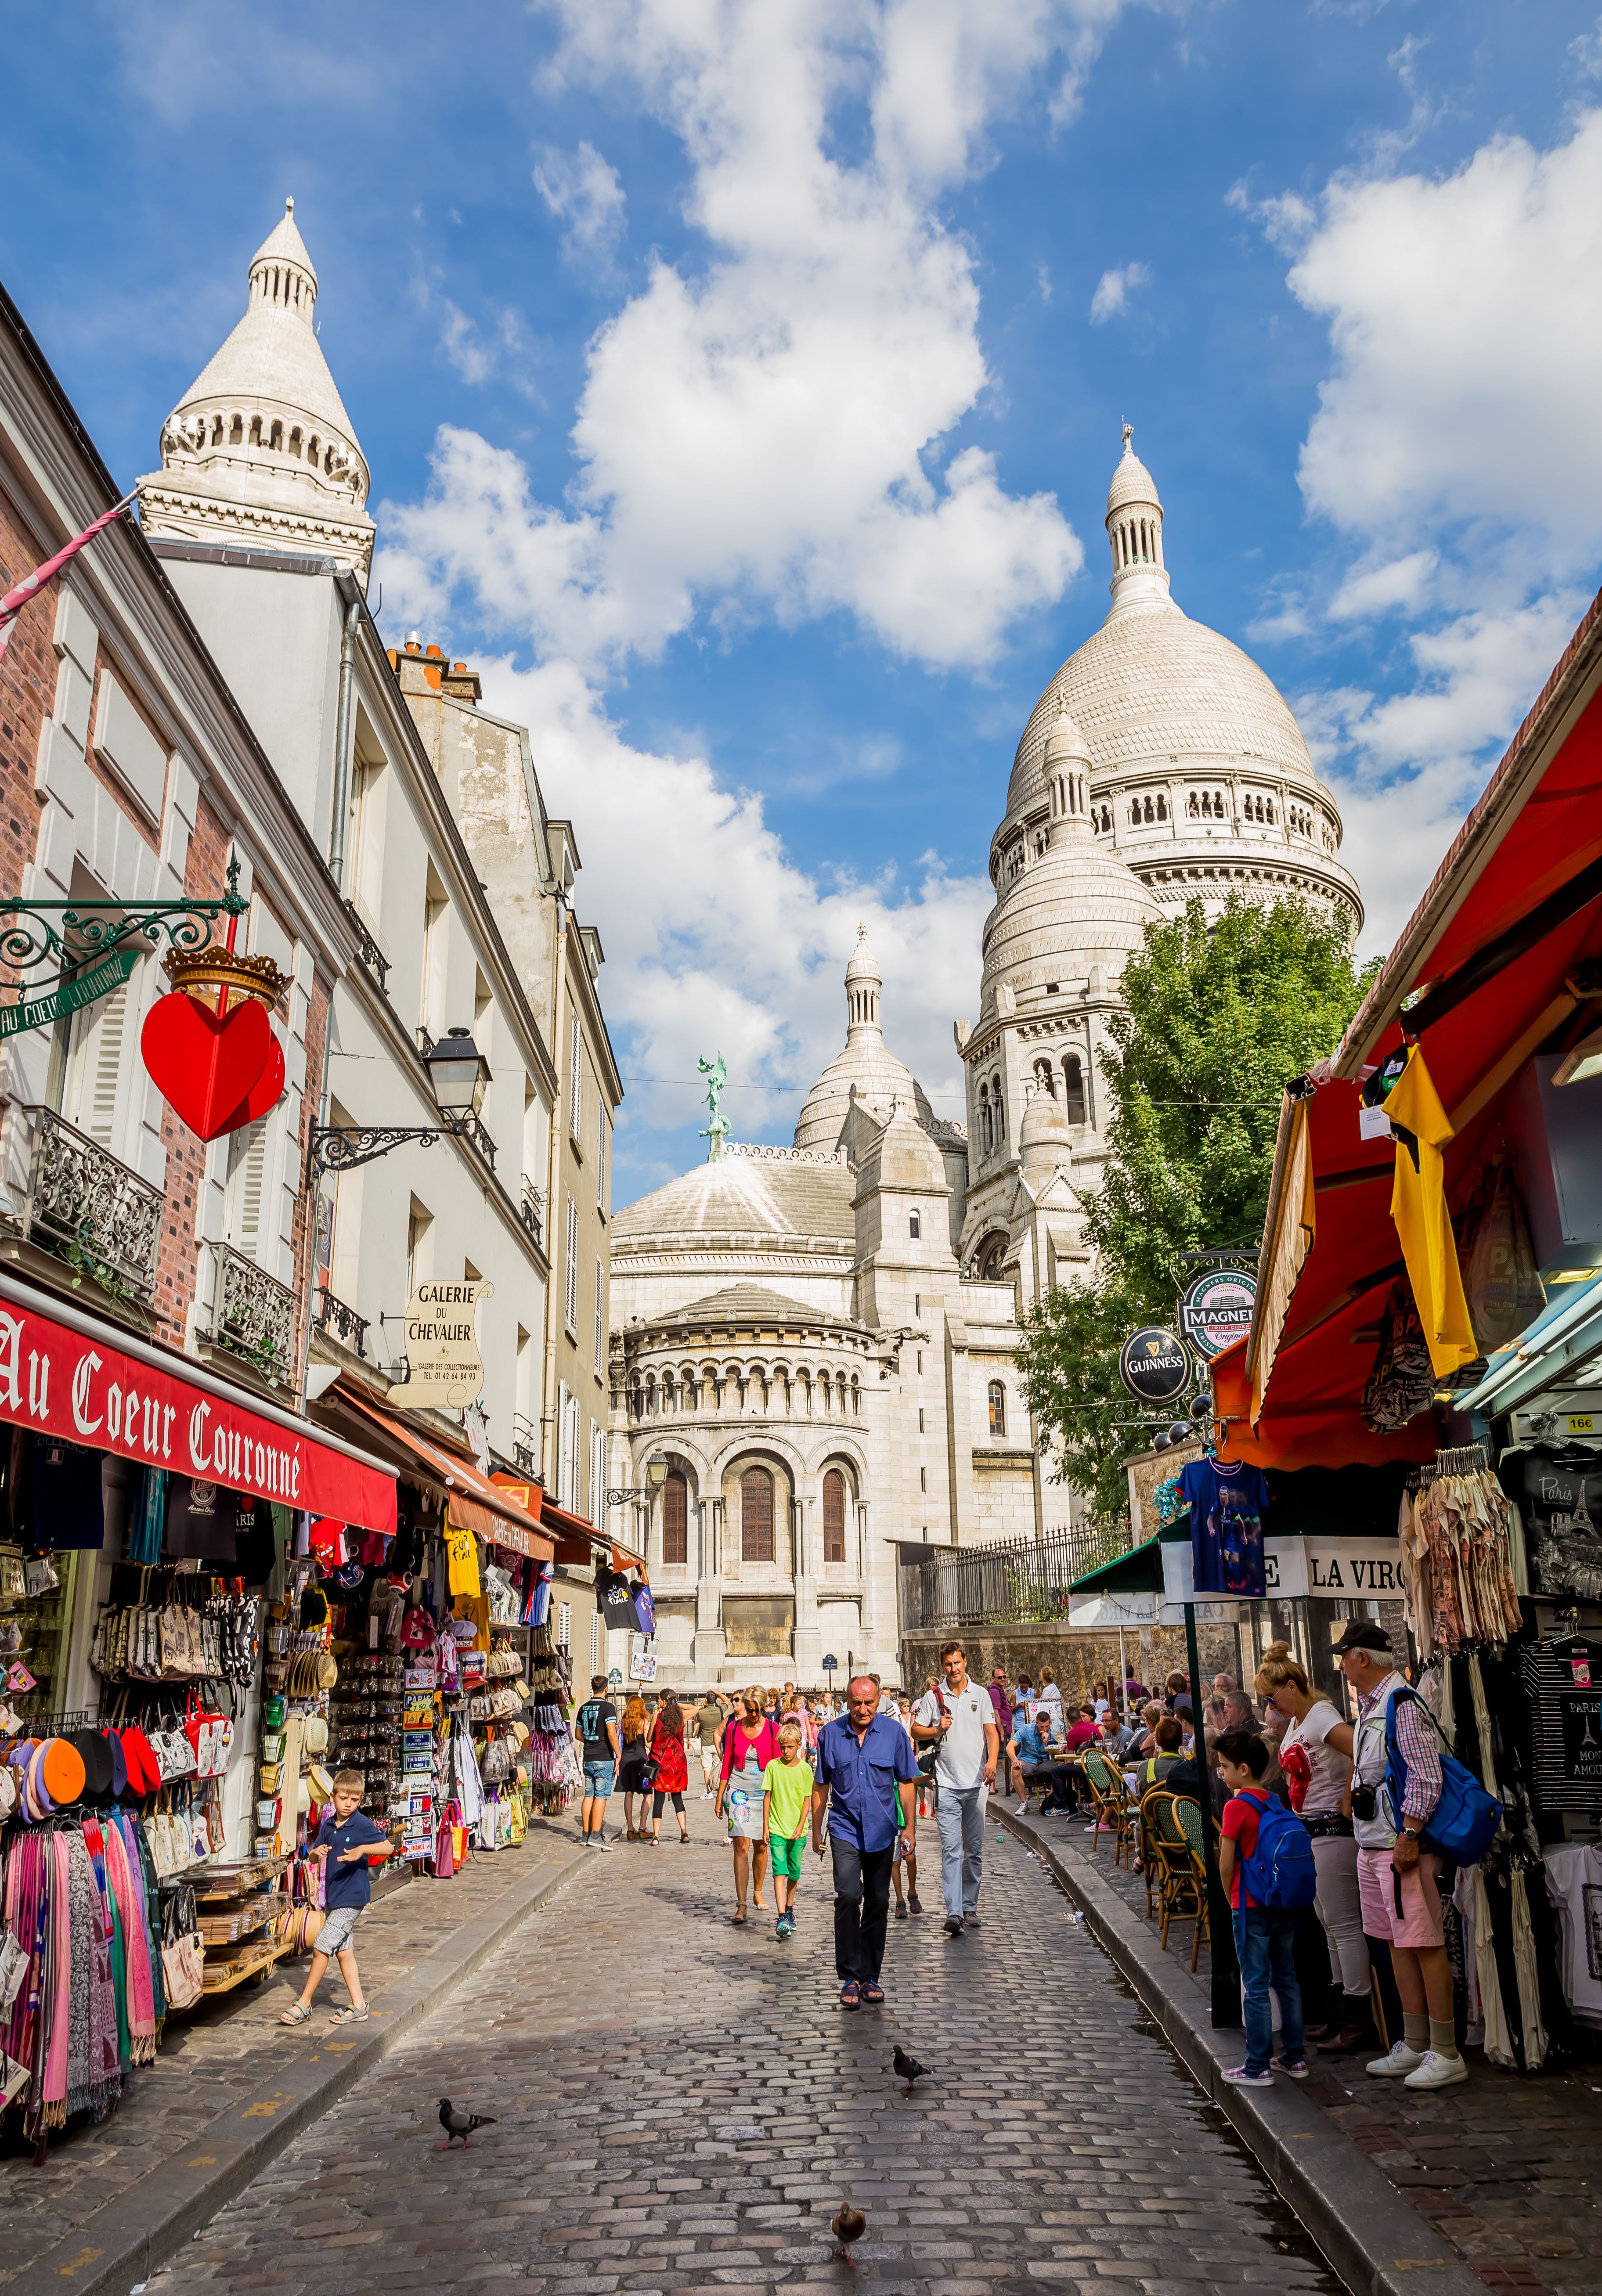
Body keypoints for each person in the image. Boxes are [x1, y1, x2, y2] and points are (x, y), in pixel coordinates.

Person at [1335, 1619, 1464, 2089]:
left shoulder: (1400, 1703)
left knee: (1424, 1942)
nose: (1343, 1666)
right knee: (1395, 1942)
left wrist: (1410, 1834)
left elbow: (1427, 1776)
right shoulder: (1374, 1704)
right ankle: (1414, 2042)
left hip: (1399, 1845)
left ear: (1363, 1658)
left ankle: (1446, 2051)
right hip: (1376, 1844)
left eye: (1345, 1656)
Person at [1255, 1641, 1370, 2054]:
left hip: (1332, 1830)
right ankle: (1340, 2010)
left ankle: (1359, 2016)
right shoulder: (1299, 1721)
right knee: (1329, 1924)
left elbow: (1362, 1747)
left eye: (1272, 1696)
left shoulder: (1320, 1715)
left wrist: (1349, 1791)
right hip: (1311, 1830)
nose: (1271, 1705)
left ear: (1290, 1685)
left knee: (1342, 1923)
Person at [812, 1672, 920, 2008]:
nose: (862, 1709)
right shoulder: (830, 1734)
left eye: (869, 1702)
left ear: (878, 1701)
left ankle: (870, 1975)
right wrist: (816, 1829)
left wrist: (910, 1828)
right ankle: (848, 1975)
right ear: (847, 1702)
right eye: (856, 1702)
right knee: (848, 1894)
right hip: (844, 1829)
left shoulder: (893, 1734)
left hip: (882, 1830)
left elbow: (907, 1781)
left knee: (878, 1902)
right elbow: (821, 1786)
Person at [1214, 1730, 1309, 2087]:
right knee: (1286, 1978)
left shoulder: (1236, 1806)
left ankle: (1257, 2064)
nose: (1221, 1773)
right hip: (1279, 1902)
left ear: (1243, 1768)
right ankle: (1295, 2057)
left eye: (1225, 1767)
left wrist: (1230, 1898)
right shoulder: (1273, 1800)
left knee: (1255, 1984)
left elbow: (1226, 1864)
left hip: (1249, 1903)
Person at [279, 1771, 390, 2027]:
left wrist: (362, 1849)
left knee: (321, 1947)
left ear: (360, 1800)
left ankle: (304, 2003)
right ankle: (359, 2005)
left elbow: (387, 1847)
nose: (348, 1804)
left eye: (354, 1799)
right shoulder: (328, 1825)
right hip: (334, 1897)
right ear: (333, 1798)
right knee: (344, 1952)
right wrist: (315, 1853)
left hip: (352, 1899)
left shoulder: (361, 1824)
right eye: (343, 1798)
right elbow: (314, 1858)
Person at [912, 1640, 1000, 1937]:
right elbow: (916, 1729)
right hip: (946, 1784)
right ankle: (954, 1912)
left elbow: (992, 1732)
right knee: (951, 1850)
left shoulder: (982, 1694)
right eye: (948, 1664)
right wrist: (938, 1728)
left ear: (965, 1662)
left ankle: (970, 1905)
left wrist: (992, 1762)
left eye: (957, 1663)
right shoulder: (933, 1697)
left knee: (973, 1850)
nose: (953, 1668)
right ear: (943, 1666)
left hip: (977, 1784)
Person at [717, 1688, 780, 1921]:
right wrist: (719, 1796)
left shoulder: (773, 1729)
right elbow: (727, 1763)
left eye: (758, 1710)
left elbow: (777, 1767)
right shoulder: (734, 1728)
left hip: (763, 1794)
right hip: (738, 1793)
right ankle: (741, 1904)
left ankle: (758, 1891)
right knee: (741, 1847)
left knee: (761, 1846)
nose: (753, 1714)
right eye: (750, 1709)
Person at [763, 1717, 815, 1939]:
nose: (785, 1751)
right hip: (776, 1827)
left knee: (794, 1872)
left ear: (798, 1745)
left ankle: (790, 1907)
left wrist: (802, 1824)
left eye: (790, 1747)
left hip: (798, 1831)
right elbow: (768, 1796)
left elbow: (807, 1800)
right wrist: (765, 1826)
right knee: (779, 1870)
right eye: (782, 1746)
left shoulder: (805, 1770)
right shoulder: (773, 1767)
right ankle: (782, 1915)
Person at [576, 1673, 620, 1848]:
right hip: (604, 1757)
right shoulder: (609, 1708)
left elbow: (579, 1735)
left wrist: (591, 1742)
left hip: (588, 1757)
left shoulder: (583, 1708)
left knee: (589, 1794)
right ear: (606, 1690)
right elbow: (611, 1732)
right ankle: (596, 1835)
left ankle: (585, 1834)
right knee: (601, 1796)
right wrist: (619, 1754)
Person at [890, 1699, 924, 1918]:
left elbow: (917, 1779)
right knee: (894, 1862)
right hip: (891, 1821)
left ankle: (912, 1891)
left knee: (909, 1858)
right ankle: (900, 1899)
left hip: (906, 1820)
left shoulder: (906, 1760)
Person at [648, 1691, 691, 1845]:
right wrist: (678, 1705)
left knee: (658, 1800)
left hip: (660, 1764)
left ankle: (656, 1837)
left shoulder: (657, 1717)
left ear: (664, 1701)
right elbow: (695, 1709)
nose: (658, 1702)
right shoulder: (681, 1718)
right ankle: (684, 1832)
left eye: (659, 1699)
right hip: (677, 1764)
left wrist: (654, 1720)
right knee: (677, 1798)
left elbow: (648, 1739)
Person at [617, 1694, 651, 1839]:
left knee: (629, 1794)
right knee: (648, 1794)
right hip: (641, 1760)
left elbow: (619, 1741)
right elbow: (648, 1743)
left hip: (626, 1760)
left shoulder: (623, 1721)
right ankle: (643, 1826)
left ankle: (630, 1828)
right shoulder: (644, 1722)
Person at [1134, 1714, 1184, 1791]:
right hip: (1179, 1803)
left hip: (1150, 1804)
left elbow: (1140, 1794)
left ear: (1157, 1741)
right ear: (1182, 1741)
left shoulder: (1145, 1767)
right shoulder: (1190, 1769)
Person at [695, 1693, 725, 1798]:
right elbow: (727, 1701)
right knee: (719, 1767)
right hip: (718, 1742)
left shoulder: (701, 1713)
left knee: (707, 1768)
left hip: (706, 1743)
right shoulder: (720, 1710)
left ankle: (709, 1792)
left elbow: (697, 1721)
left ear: (706, 1700)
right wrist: (717, 1693)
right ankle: (720, 1790)